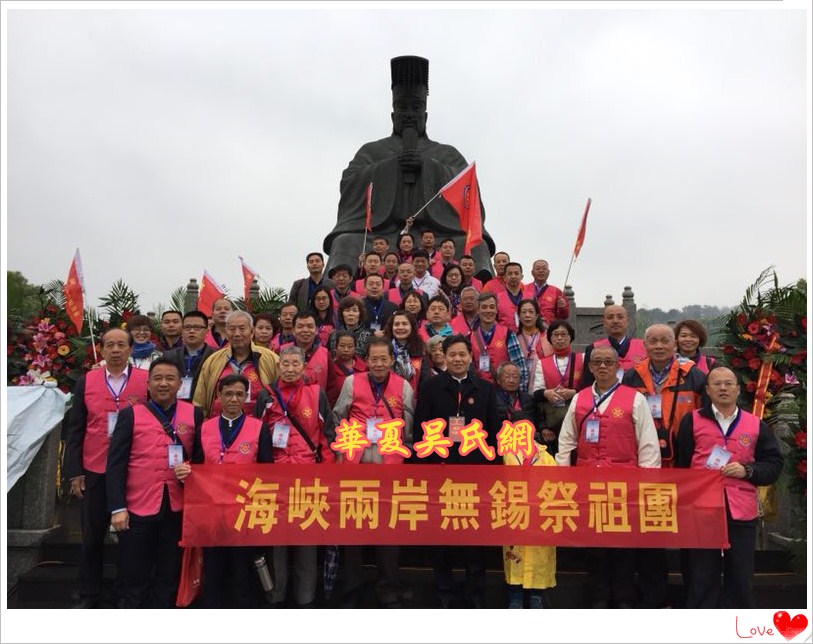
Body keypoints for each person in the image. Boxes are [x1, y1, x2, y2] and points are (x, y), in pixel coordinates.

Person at [323, 55, 495, 274]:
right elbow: (350, 182)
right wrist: (390, 167)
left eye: (416, 108)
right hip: (383, 235)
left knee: (477, 246)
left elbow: (468, 189)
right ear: (393, 114)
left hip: (436, 236)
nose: (409, 115)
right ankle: (338, 289)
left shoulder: (446, 153)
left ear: (425, 115)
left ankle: (481, 289)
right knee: (345, 242)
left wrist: (430, 167)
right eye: (403, 108)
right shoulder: (372, 150)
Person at [556, 345, 661, 609]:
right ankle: (599, 597)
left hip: (624, 486)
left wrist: (646, 485)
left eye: (608, 362)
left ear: (618, 366)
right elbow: (566, 441)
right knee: (595, 544)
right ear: (590, 367)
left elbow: (648, 444)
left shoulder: (635, 399)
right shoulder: (579, 399)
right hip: (588, 483)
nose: (602, 366)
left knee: (623, 545)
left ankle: (624, 598)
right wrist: (562, 479)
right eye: (597, 362)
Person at [675, 366, 783, 609]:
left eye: (728, 383)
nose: (723, 388)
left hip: (740, 508)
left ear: (738, 389)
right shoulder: (692, 421)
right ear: (707, 390)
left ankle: (738, 621)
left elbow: (774, 464)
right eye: (717, 384)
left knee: (740, 572)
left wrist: (748, 470)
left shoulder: (756, 424)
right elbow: (682, 465)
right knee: (700, 572)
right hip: (701, 508)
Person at [106, 357, 203, 608]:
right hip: (137, 506)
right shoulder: (130, 415)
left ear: (180, 384)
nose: (163, 384)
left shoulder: (194, 414)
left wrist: (191, 469)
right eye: (158, 378)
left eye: (170, 378)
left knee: (169, 571)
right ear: (148, 384)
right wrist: (117, 507)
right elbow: (115, 465)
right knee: (135, 571)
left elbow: (201, 459)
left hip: (177, 506)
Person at [621, 323, 706, 607]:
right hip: (646, 466)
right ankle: (653, 600)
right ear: (644, 345)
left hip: (683, 468)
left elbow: (705, 420)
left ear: (675, 345)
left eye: (664, 341)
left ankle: (693, 600)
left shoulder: (693, 376)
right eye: (653, 341)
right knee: (650, 533)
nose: (658, 346)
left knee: (689, 534)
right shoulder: (632, 375)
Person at [64, 328, 149, 608]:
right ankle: (89, 593)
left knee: (130, 538)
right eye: (110, 345)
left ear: (130, 349)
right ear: (101, 349)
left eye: (121, 345)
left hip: (133, 469)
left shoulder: (146, 380)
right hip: (94, 468)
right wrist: (75, 471)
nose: (115, 350)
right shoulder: (86, 381)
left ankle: (125, 593)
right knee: (92, 536)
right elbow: (76, 429)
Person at [413, 334, 501, 608]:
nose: (458, 359)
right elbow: (420, 431)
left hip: (475, 476)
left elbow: (494, 435)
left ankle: (475, 596)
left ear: (471, 357)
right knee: (442, 540)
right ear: (443, 356)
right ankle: (444, 596)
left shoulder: (485, 389)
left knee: (474, 539)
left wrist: (492, 473)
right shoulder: (430, 387)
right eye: (452, 354)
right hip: (440, 475)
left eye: (463, 354)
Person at [332, 337, 415, 608]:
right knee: (353, 530)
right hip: (355, 466)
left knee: (388, 530)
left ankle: (388, 586)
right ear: (365, 360)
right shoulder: (351, 383)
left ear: (392, 360)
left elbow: (408, 428)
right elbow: (338, 417)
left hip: (389, 468)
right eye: (374, 359)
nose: (379, 364)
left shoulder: (403, 387)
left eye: (384, 359)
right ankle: (352, 588)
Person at [178, 374, 273, 608]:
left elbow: (267, 472)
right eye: (228, 394)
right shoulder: (205, 428)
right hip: (212, 515)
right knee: (213, 572)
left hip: (244, 515)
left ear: (246, 397)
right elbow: (197, 465)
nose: (233, 399)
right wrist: (186, 470)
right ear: (219, 396)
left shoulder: (259, 428)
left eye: (239, 394)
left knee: (242, 573)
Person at [256, 348, 336, 608]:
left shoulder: (316, 394)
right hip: (275, 476)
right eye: (285, 364)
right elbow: (256, 435)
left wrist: (327, 474)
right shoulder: (266, 396)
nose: (290, 369)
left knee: (306, 538)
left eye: (295, 364)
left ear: (303, 367)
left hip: (308, 476)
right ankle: (276, 596)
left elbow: (327, 436)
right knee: (276, 539)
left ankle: (305, 598)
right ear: (278, 366)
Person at [502, 434, 557, 609]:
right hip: (515, 514)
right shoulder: (507, 453)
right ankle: (515, 597)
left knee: (539, 559)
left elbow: (555, 486)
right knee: (513, 557)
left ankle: (536, 596)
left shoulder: (546, 457)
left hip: (538, 516)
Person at [194, 310, 279, 418]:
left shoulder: (270, 358)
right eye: (232, 329)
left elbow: (281, 394)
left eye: (242, 329)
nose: (237, 334)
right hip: (218, 423)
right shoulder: (213, 361)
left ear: (252, 332)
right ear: (226, 333)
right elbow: (200, 400)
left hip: (258, 425)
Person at [531, 320, 583, 454]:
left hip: (577, 416)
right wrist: (546, 393)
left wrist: (574, 392)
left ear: (570, 337)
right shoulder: (542, 363)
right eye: (556, 334)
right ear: (550, 338)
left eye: (563, 334)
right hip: (553, 419)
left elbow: (589, 388)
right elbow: (536, 392)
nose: (560, 338)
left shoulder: (582, 358)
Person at [470, 292, 528, 392]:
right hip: (479, 392)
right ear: (478, 310)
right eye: (484, 307)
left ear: (497, 310)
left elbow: (520, 367)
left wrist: (519, 395)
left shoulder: (508, 334)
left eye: (492, 307)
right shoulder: (470, 337)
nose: (488, 310)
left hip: (504, 392)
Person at [581, 304, 647, 388]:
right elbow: (587, 384)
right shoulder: (593, 348)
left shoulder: (643, 347)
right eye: (610, 317)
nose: (615, 321)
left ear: (627, 321)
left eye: (620, 317)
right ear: (604, 322)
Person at [162, 310, 216, 403]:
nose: (191, 331)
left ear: (207, 330)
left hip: (204, 405)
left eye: (197, 327)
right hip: (175, 405)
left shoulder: (216, 356)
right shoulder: (169, 356)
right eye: (187, 327)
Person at [383, 310, 432, 397]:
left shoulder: (421, 350)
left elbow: (425, 380)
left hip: (413, 399)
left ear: (412, 327)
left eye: (404, 324)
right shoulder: (383, 349)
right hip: (387, 397)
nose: (400, 327)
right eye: (396, 324)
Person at [281, 311, 333, 392]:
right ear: (293, 330)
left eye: (310, 326)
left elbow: (332, 387)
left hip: (317, 399)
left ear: (316, 330)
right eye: (300, 326)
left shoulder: (325, 354)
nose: (305, 330)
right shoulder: (281, 351)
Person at [515, 298, 553, 393]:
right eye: (524, 312)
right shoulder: (514, 338)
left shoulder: (547, 337)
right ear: (519, 316)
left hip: (545, 385)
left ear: (537, 315)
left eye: (531, 312)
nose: (527, 315)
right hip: (521, 385)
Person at [326, 330, 368, 406]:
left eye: (350, 346)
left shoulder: (365, 368)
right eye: (342, 346)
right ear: (336, 347)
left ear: (355, 348)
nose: (346, 349)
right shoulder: (329, 368)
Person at [522, 259, 570, 325]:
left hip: (549, 327)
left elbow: (564, 316)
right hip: (527, 326)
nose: (541, 271)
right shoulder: (523, 289)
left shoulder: (557, 291)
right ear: (532, 272)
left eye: (544, 269)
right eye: (538, 269)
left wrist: (562, 308)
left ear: (548, 272)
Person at [495, 262, 526, 332]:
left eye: (516, 273)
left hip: (527, 336)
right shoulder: (497, 298)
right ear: (504, 277)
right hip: (504, 336)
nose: (513, 276)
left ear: (522, 277)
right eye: (510, 274)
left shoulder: (531, 297)